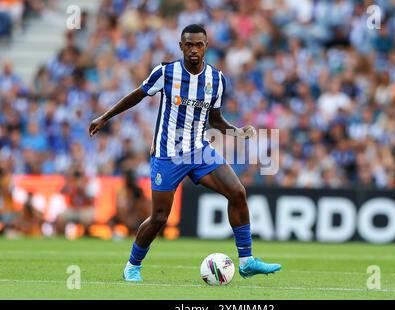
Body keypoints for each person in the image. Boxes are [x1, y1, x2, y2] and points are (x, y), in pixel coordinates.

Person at [88, 24, 281, 282]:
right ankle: (132, 266)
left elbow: (215, 119)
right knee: (159, 217)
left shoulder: (217, 79)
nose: (193, 49)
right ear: (181, 46)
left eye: (198, 45)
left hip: (200, 150)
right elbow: (137, 95)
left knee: (237, 192)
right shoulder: (166, 73)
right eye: (188, 44)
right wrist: (104, 117)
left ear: (206, 47)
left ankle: (246, 261)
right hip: (168, 154)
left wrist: (237, 132)